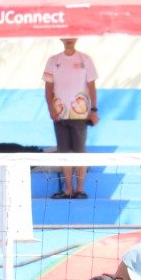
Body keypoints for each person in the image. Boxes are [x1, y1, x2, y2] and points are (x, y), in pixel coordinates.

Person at [43, 38, 98, 199]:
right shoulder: (53, 61)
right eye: (66, 37)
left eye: (72, 36)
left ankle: (80, 189)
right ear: (61, 39)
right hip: (60, 114)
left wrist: (94, 110)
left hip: (80, 114)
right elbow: (48, 87)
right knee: (63, 152)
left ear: (76, 38)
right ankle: (68, 189)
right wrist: (51, 109)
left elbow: (92, 86)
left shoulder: (85, 59)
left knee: (80, 152)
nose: (69, 39)